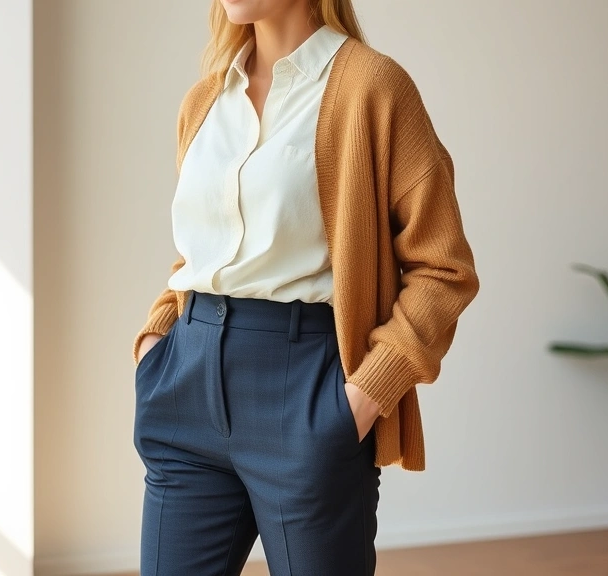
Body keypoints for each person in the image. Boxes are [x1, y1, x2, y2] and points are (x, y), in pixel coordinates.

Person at [131, 1, 479, 574]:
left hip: (305, 394)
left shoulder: (373, 87)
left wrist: (362, 399)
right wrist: (154, 346)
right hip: (185, 389)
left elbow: (444, 270)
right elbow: (201, 256)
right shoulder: (205, 102)